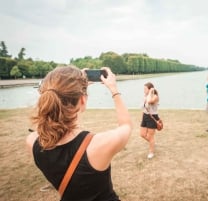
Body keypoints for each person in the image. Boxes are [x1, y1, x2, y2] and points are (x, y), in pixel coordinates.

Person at [26, 66, 132, 201]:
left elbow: (46, 117)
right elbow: (126, 126)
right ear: (82, 100)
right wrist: (114, 90)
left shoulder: (32, 142)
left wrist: (71, 85)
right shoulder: (97, 146)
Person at [140, 82, 160, 159]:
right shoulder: (145, 96)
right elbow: (143, 108)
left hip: (152, 117)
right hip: (145, 116)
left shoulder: (155, 97)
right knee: (142, 134)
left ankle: (151, 152)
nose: (144, 90)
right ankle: (152, 143)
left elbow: (149, 101)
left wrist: (151, 91)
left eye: (145, 89)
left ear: (150, 89)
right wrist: (142, 118)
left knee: (150, 136)